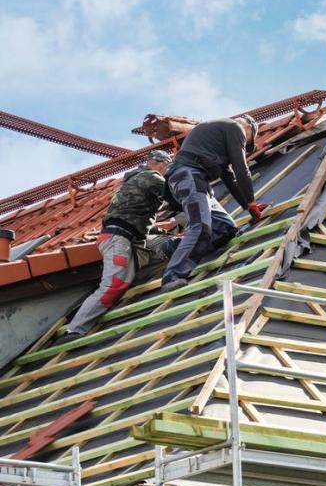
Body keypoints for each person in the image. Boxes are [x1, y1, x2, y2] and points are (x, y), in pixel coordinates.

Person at [64, 150, 174, 338]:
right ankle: (75, 328)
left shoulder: (134, 180)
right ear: (160, 164)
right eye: (166, 166)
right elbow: (174, 194)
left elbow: (135, 218)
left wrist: (160, 231)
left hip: (125, 238)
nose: (166, 170)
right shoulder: (152, 176)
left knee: (158, 256)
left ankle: (84, 311)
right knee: (115, 283)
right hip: (119, 238)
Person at [161, 115, 267, 292]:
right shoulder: (235, 127)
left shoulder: (217, 139)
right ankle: (172, 276)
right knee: (201, 227)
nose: (243, 144)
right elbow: (241, 170)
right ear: (249, 127)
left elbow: (230, 178)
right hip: (188, 175)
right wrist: (251, 201)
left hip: (196, 180)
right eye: (247, 141)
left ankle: (177, 247)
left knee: (226, 228)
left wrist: (248, 206)